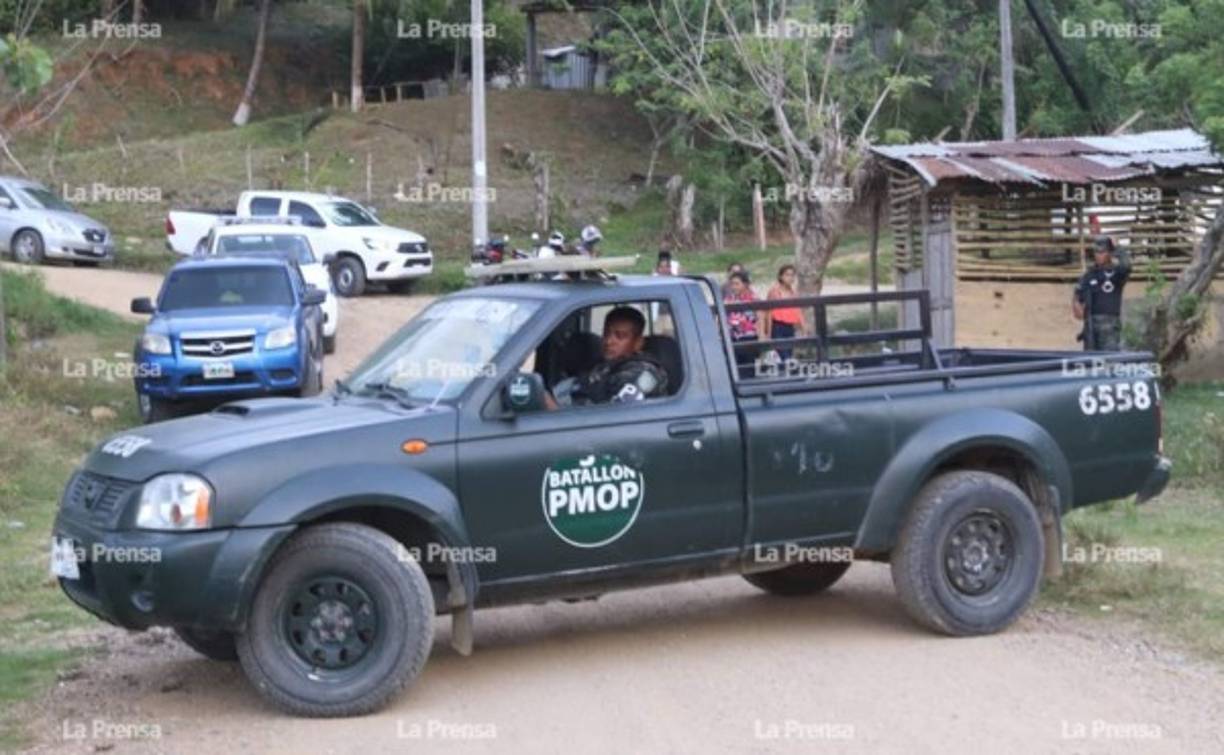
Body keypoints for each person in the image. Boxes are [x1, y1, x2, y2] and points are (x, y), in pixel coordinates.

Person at [550, 306, 668, 407]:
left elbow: (611, 416)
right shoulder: (606, 364)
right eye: (606, 333)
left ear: (638, 343)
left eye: (620, 336)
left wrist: (553, 408)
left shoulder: (642, 374)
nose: (608, 341)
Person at [1073, 236, 1131, 351]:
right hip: (1091, 326)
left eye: (1102, 252)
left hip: (1110, 326)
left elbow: (1126, 267)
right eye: (1096, 252)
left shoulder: (1116, 274)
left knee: (1109, 359)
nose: (1098, 255)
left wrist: (1118, 248)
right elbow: (1078, 296)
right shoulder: (1089, 275)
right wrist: (1076, 305)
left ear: (1109, 253)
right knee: (1090, 360)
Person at [764, 264, 803, 361]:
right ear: (781, 276)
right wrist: (768, 333)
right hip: (778, 327)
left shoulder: (793, 293)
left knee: (789, 353)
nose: (790, 278)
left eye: (792, 275)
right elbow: (769, 312)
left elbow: (798, 311)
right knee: (783, 355)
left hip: (789, 327)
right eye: (787, 275)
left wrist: (803, 327)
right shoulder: (774, 292)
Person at [723, 271, 759, 373]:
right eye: (732, 284)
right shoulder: (728, 299)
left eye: (737, 284)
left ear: (745, 284)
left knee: (748, 367)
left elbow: (760, 317)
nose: (734, 287)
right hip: (733, 337)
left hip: (748, 337)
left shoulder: (753, 298)